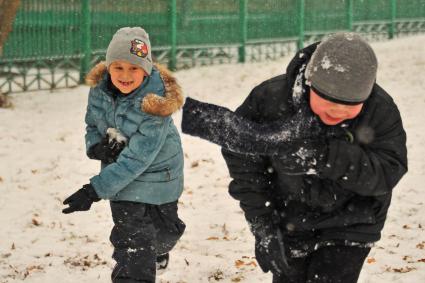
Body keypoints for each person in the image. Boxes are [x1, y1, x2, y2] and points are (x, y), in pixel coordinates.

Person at [181, 32, 407, 282]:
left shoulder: (381, 110)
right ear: (310, 84)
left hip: (352, 221)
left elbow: (388, 170)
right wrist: (263, 225)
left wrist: (324, 157)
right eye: (329, 102)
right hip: (290, 219)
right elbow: (246, 166)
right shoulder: (270, 100)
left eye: (349, 107)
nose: (337, 112)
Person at [62, 27, 186, 283]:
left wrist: (93, 191)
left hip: (160, 177)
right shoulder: (99, 91)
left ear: (146, 69)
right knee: (132, 245)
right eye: (118, 67)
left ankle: (158, 251)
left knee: (164, 234)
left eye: (134, 68)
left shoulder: (155, 103)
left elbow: (138, 159)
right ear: (108, 68)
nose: (125, 75)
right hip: (122, 181)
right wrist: (96, 146)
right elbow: (91, 124)